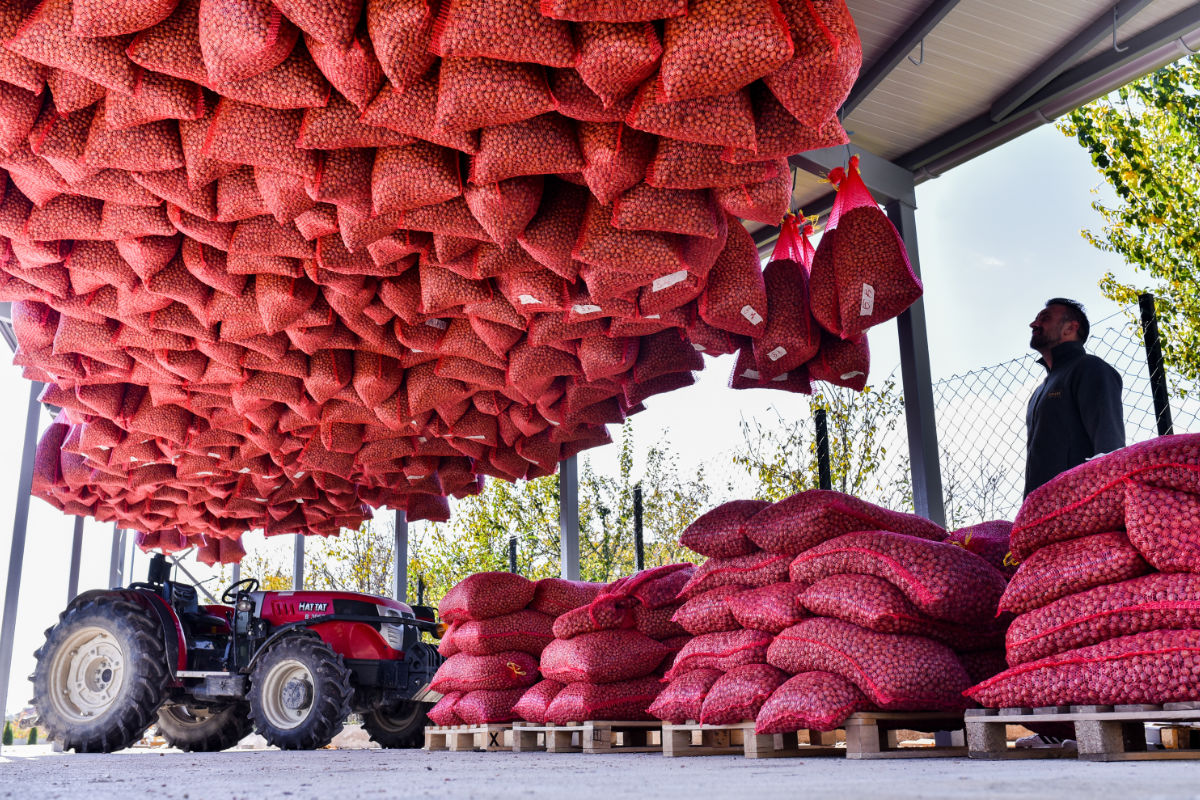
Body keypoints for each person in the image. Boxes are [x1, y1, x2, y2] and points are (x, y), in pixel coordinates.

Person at [1025, 297, 1125, 497]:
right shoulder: (1038, 392)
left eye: (1045, 318)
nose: (1034, 324)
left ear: (1070, 328)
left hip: (1080, 508)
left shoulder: (1090, 368)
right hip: (1039, 511)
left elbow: (1110, 447)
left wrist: (1107, 499)